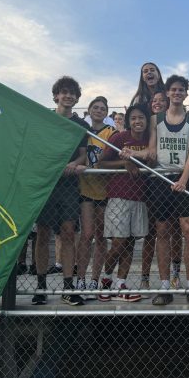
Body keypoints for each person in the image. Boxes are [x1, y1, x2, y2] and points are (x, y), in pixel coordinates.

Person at [145, 75, 189, 305]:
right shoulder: (155, 119)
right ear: (167, 93)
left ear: (186, 94)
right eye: (174, 90)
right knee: (163, 233)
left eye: (181, 90)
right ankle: (165, 285)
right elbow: (151, 149)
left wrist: (184, 180)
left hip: (184, 179)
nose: (177, 93)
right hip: (160, 179)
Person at [32, 76, 89, 306]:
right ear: (56, 95)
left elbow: (83, 155)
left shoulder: (81, 126)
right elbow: (37, 152)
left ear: (77, 98)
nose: (68, 96)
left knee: (67, 232)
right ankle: (40, 286)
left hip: (68, 185)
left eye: (72, 93)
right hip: (47, 183)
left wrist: (75, 165)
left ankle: (68, 286)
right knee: (43, 234)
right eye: (64, 92)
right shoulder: (44, 120)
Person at [98, 104, 151, 302]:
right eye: (134, 118)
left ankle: (121, 283)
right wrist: (123, 162)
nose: (138, 122)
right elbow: (101, 163)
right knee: (119, 241)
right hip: (119, 195)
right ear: (129, 121)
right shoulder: (119, 138)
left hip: (140, 197)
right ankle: (106, 279)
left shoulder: (150, 140)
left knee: (130, 242)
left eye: (141, 118)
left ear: (147, 120)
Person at [139, 91, 183, 291]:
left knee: (174, 230)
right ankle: (145, 276)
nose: (157, 103)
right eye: (154, 101)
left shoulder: (174, 121)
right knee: (151, 233)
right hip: (150, 182)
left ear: (168, 103)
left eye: (161, 101)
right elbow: (148, 152)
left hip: (171, 178)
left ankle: (174, 274)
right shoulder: (146, 122)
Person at [75, 97, 118, 299]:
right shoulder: (83, 131)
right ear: (89, 110)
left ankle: (94, 279)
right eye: (96, 107)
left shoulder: (111, 133)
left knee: (101, 236)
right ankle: (80, 279)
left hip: (105, 189)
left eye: (103, 108)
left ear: (106, 112)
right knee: (87, 234)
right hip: (86, 187)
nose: (99, 110)